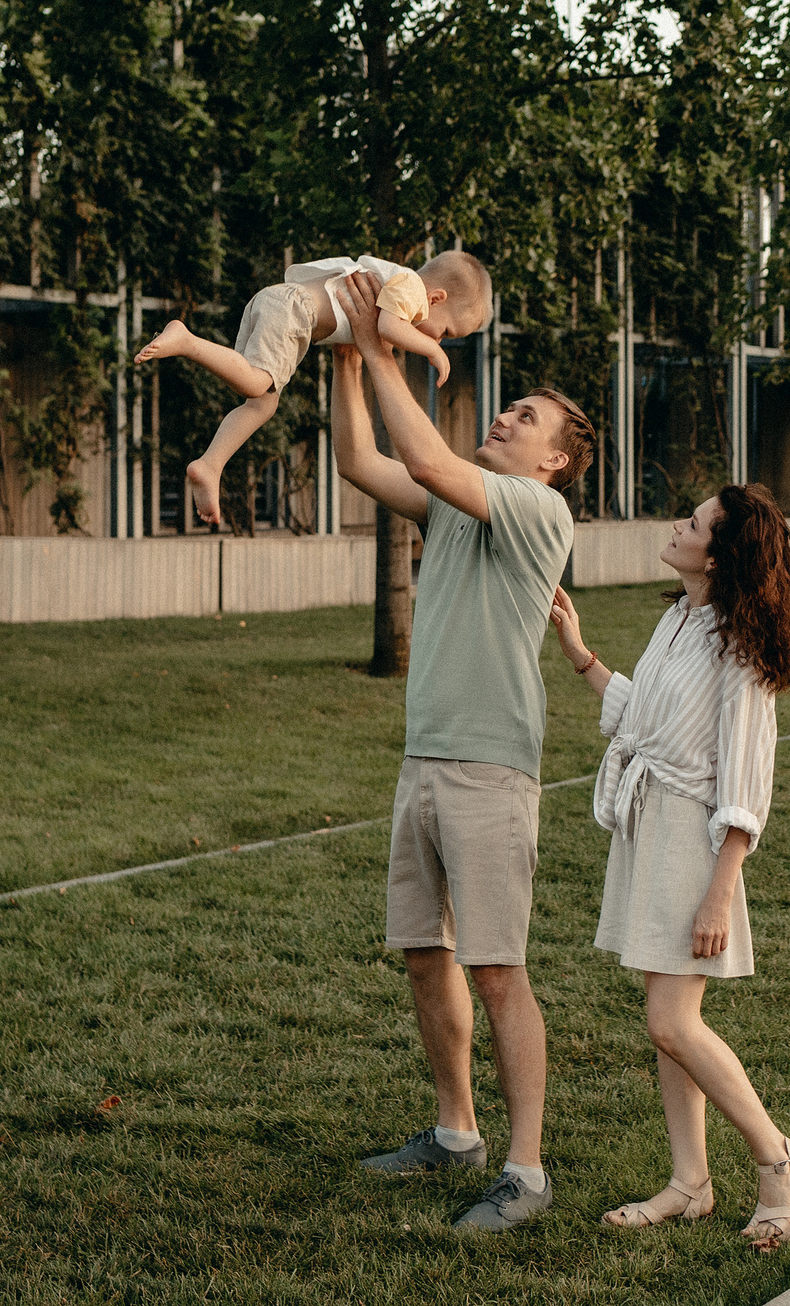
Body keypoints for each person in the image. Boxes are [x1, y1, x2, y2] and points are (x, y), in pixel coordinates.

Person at [326, 270, 592, 1234]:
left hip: (491, 769)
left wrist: (380, 344)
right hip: (424, 761)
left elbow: (432, 464)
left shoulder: (537, 514)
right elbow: (362, 458)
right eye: (512, 407)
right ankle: (455, 1132)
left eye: (526, 417)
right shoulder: (460, 505)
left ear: (555, 461)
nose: (509, 417)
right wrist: (345, 355)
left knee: (496, 968)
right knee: (424, 955)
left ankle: (525, 1170)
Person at [546, 482, 790, 1252]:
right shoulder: (680, 616)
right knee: (668, 1024)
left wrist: (718, 894)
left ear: (720, 551)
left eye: (695, 521)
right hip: (650, 827)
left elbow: (744, 783)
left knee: (672, 1021)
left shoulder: (741, 645)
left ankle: (784, 1163)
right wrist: (582, 656)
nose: (679, 523)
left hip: (693, 843)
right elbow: (646, 720)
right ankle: (689, 1182)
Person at [134, 249, 492, 526]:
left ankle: (210, 464)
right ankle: (186, 339)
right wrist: (429, 349)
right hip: (296, 310)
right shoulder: (411, 288)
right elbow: (386, 330)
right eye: (447, 332)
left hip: (280, 303)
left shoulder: (399, 286)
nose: (440, 340)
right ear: (437, 298)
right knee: (257, 380)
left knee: (261, 402)